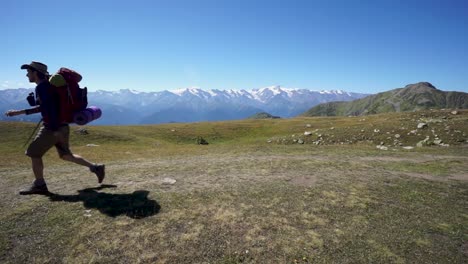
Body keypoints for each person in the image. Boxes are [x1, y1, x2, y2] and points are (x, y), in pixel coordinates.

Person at [4, 61, 105, 195]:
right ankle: (96, 168)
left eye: (28, 72)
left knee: (33, 152)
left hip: (52, 128)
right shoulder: (49, 87)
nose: (27, 75)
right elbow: (46, 107)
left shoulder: (42, 88)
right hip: (62, 126)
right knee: (66, 155)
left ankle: (39, 185)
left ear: (35, 73)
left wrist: (53, 129)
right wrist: (19, 112)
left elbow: (48, 109)